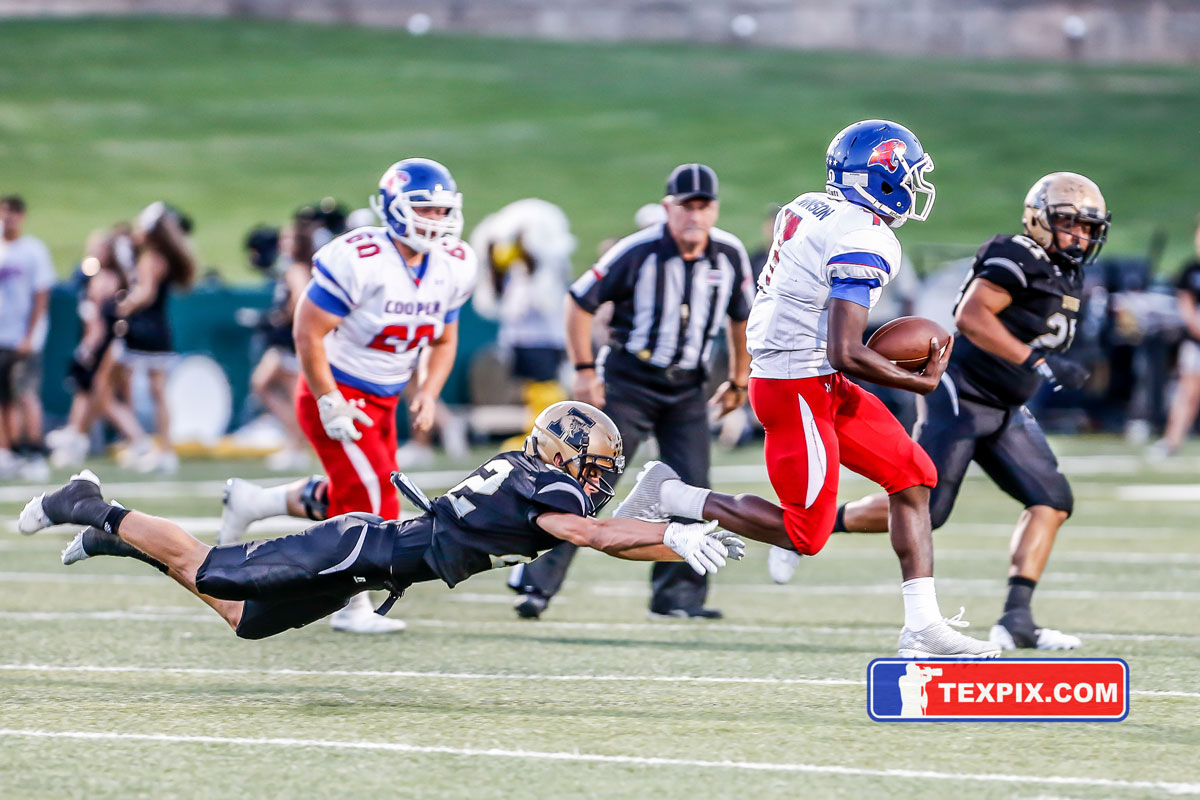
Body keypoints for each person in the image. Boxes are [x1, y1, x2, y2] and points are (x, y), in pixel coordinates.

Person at [616, 120, 998, 658]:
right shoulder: (865, 238)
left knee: (914, 477)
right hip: (796, 383)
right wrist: (919, 380)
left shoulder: (812, 205)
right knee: (805, 534)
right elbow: (847, 349)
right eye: (906, 173)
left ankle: (923, 627)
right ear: (879, 178)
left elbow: (831, 344)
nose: (912, 186)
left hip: (813, 371)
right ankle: (671, 494)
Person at [18, 402, 743, 642]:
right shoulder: (545, 486)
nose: (599, 480)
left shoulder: (538, 479)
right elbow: (589, 536)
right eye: (595, 466)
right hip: (360, 547)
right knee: (212, 568)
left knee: (243, 618)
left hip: (371, 565)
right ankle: (91, 502)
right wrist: (671, 532)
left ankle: (123, 539)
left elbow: (607, 539)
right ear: (565, 454)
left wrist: (680, 546)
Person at [798, 171, 1109, 652]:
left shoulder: (1069, 273)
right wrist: (1039, 361)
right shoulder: (1017, 254)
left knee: (1052, 501)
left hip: (1006, 405)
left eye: (1087, 227)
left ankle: (1017, 620)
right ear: (1039, 219)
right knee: (930, 508)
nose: (1079, 235)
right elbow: (971, 316)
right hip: (962, 392)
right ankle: (819, 524)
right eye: (1069, 222)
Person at [218, 158, 476, 635]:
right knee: (376, 501)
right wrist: (328, 398)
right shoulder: (362, 258)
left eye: (442, 211)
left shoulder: (454, 265)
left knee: (352, 490)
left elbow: (444, 338)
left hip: (386, 395)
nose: (435, 221)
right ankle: (350, 606)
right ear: (395, 209)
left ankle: (254, 503)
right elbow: (306, 331)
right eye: (424, 209)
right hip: (339, 389)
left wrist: (431, 391)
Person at [508, 163, 755, 620]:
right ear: (668, 208)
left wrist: (741, 379)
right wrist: (584, 369)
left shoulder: (729, 254)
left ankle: (676, 599)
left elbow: (741, 318)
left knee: (690, 490)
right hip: (629, 380)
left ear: (715, 209)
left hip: (688, 387)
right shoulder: (638, 251)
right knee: (588, 483)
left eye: (703, 206)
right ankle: (534, 581)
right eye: (685, 206)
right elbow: (579, 302)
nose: (694, 216)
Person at [108, 202, 197, 473]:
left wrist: (122, 306)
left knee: (111, 384)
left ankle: (143, 443)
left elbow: (145, 292)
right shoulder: (159, 257)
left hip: (144, 330)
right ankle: (156, 447)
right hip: (158, 330)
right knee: (154, 390)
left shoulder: (150, 258)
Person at [244, 223, 312, 471]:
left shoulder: (297, 268)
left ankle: (297, 445)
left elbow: (300, 302)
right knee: (267, 386)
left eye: (289, 238)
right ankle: (296, 444)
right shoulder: (290, 267)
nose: (283, 243)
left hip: (291, 341)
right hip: (287, 341)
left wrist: (281, 317)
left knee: (288, 393)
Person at [0, 195, 56, 480]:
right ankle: (6, 451)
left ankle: (34, 450)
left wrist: (30, 335)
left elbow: (40, 296)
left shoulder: (33, 250)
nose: (8, 218)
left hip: (23, 338)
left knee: (25, 394)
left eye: (14, 213)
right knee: (3, 399)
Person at [1151, 215, 1200, 459]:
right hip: (1196, 344)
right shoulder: (1191, 270)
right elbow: (1187, 307)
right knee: (1187, 392)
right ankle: (1172, 441)